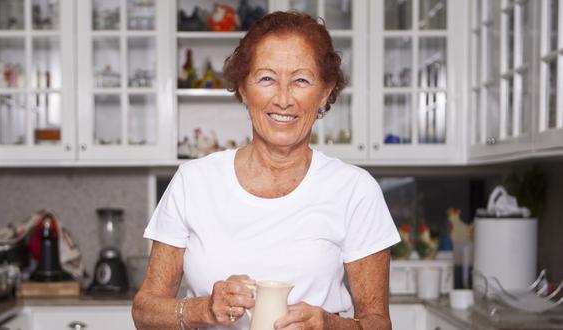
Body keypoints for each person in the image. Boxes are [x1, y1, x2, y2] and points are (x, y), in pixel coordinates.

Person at [132, 11, 400, 330]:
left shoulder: (355, 190)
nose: (283, 99)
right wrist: (203, 309)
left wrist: (330, 326)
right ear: (244, 89)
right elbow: (144, 312)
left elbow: (378, 323)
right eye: (266, 79)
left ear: (325, 92)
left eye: (301, 80)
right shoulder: (193, 182)